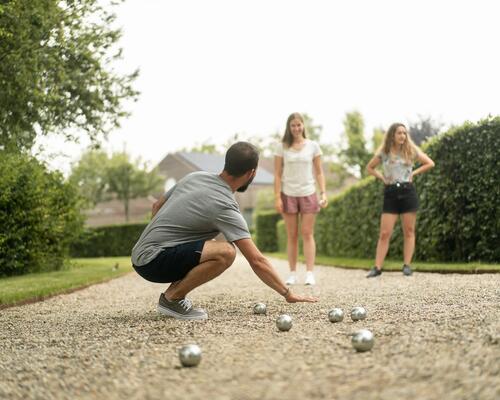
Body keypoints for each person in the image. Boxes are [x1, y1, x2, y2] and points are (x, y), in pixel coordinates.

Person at [131, 142, 317, 320]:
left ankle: (173, 295)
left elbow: (156, 206)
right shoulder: (225, 205)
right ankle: (172, 299)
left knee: (211, 248)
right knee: (226, 252)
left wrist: (160, 239)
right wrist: (287, 293)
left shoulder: (195, 176)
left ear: (226, 163)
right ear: (251, 173)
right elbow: (257, 260)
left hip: (140, 255)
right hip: (153, 262)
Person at [365, 123, 435, 278]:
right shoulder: (384, 152)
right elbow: (369, 168)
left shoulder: (411, 151)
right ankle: (377, 267)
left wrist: (413, 174)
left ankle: (407, 266)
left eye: (404, 133)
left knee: (409, 231)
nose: (402, 136)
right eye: (399, 133)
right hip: (390, 193)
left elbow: (430, 163)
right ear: (392, 135)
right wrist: (382, 177)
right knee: (384, 233)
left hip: (407, 192)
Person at [274, 112, 327, 286]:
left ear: (303, 126)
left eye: (299, 125)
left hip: (308, 192)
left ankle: (310, 273)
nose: (296, 128)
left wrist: (323, 193)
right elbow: (277, 174)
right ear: (288, 128)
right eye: (293, 125)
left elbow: (319, 172)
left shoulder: (313, 146)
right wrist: (277, 197)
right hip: (288, 194)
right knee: (292, 235)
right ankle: (292, 273)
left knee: (307, 233)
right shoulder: (281, 147)